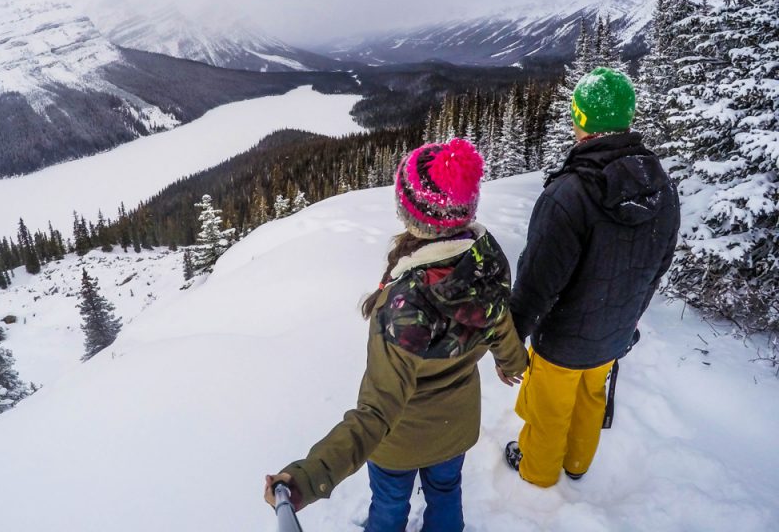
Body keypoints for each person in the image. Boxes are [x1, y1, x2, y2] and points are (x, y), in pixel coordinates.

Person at [264, 138, 528, 532]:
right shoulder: (484, 259)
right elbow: (497, 318)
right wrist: (512, 360)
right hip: (455, 427)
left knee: (389, 505)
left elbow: (376, 413)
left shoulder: (405, 305)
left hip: (398, 441)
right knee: (446, 493)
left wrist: (308, 478)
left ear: (411, 214)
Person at [504, 66, 680, 487]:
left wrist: (511, 337)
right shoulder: (663, 188)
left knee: (549, 409)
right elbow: (659, 266)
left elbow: (537, 281)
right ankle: (577, 464)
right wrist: (630, 318)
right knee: (590, 399)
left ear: (580, 120)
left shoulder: (568, 194)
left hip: (562, 338)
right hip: (613, 332)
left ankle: (537, 476)